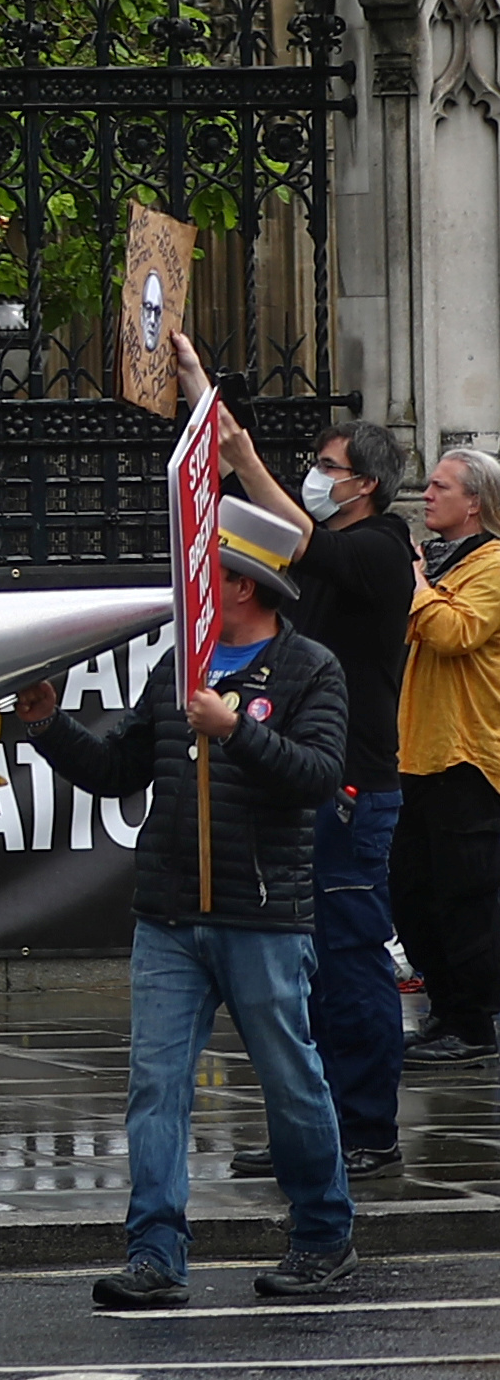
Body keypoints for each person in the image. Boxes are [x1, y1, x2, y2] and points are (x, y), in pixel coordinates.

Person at [18, 493, 355, 1305]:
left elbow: (317, 777)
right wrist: (48, 726)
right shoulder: (181, 663)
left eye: (205, 570)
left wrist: (235, 728)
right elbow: (121, 769)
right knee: (154, 1084)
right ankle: (156, 1251)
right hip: (168, 914)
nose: (190, 582)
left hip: (261, 916)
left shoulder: (310, 667)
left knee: (289, 1081)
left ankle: (320, 1233)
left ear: (241, 586)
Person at [207, 362, 416, 1168]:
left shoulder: (379, 548)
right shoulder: (332, 552)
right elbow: (268, 546)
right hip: (317, 781)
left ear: (360, 484)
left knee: (350, 959)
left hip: (355, 791)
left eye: (325, 469)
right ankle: (312, 1128)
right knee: (306, 968)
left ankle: (366, 1128)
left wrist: (246, 457)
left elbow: (297, 538)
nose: (314, 478)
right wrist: (222, 448)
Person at [395, 444, 500, 1067]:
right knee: (413, 892)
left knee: (468, 895)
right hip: (421, 752)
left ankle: (473, 1020)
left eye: (439, 487)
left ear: (475, 504)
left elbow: (457, 633)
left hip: (469, 754)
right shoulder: (442, 562)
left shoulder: (491, 563)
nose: (427, 495)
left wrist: (414, 584)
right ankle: (444, 1009)